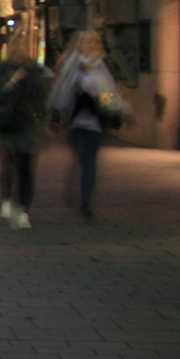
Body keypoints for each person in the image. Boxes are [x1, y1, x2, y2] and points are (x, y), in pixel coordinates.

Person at [50, 30, 122, 218]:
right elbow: (62, 90)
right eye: (86, 42)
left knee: (88, 161)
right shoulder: (73, 65)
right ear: (80, 45)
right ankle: (76, 187)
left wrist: (110, 108)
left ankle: (85, 202)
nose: (90, 45)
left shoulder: (104, 66)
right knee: (82, 159)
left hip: (96, 122)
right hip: (76, 122)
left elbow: (111, 91)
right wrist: (57, 114)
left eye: (93, 42)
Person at [0, 44, 47, 229]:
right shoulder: (3, 68)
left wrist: (45, 122)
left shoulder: (34, 70)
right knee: (9, 165)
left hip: (28, 124)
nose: (20, 51)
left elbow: (41, 98)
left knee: (26, 169)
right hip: (8, 123)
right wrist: (13, 80)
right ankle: (6, 199)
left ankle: (24, 211)